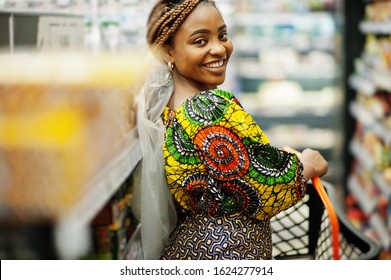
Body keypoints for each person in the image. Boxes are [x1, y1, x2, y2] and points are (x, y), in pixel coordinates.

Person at [133, 0, 329, 260]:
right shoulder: (207, 107)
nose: (219, 48)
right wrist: (306, 165)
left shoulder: (169, 106)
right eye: (200, 41)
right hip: (228, 250)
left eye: (222, 35)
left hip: (194, 245)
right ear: (168, 52)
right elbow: (260, 188)